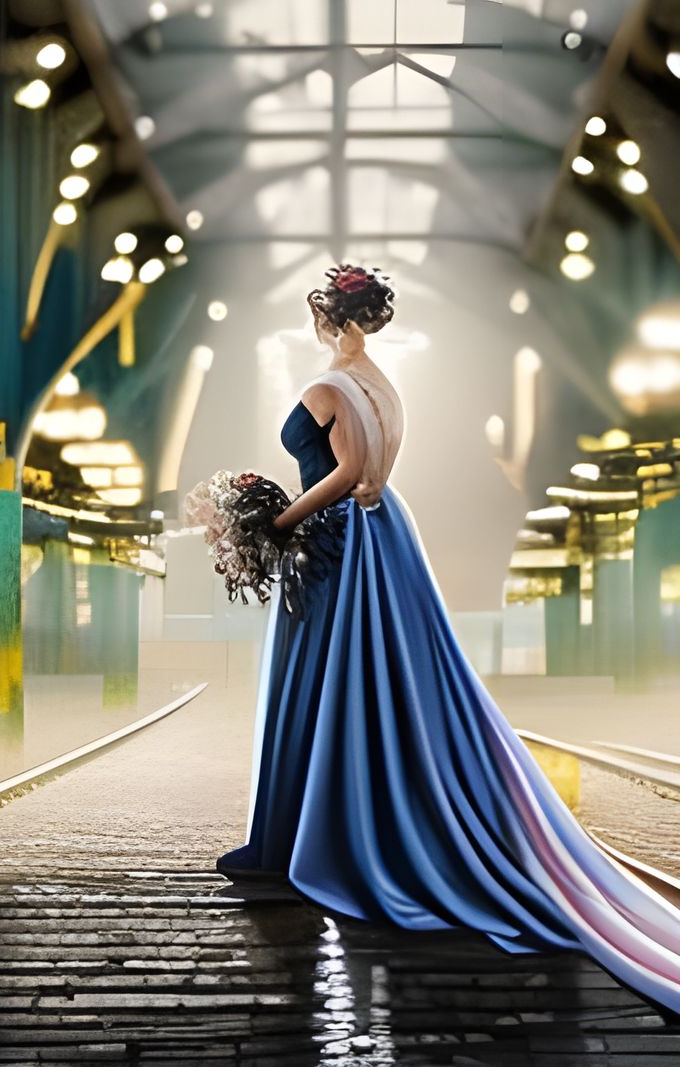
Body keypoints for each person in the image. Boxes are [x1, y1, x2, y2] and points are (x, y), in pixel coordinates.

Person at [218, 264, 680, 1013]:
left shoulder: (331, 387)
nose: (316, 329)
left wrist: (279, 520)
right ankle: (333, 823)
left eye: (320, 317)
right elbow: (376, 479)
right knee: (375, 678)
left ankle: (309, 839)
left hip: (335, 540)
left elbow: (349, 473)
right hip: (383, 534)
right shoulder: (385, 387)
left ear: (341, 320)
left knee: (324, 675)